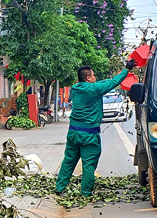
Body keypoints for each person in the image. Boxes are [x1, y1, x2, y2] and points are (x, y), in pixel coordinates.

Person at [55, 60, 138, 197]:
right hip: (88, 135)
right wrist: (126, 69)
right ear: (88, 78)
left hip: (73, 132)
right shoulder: (95, 89)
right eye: (93, 75)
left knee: (69, 161)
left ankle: (59, 187)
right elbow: (112, 82)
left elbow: (103, 82)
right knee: (88, 165)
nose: (95, 78)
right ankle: (85, 193)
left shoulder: (75, 89)